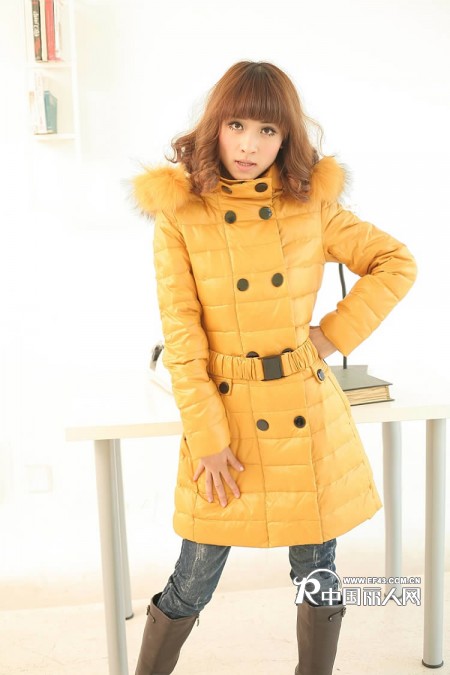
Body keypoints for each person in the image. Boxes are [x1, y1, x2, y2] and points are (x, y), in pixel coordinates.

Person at [132, 61, 417, 675]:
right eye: (237, 125)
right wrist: (207, 438)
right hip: (225, 422)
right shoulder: (182, 213)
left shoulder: (309, 205)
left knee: (317, 574)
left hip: (303, 416)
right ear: (215, 126)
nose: (249, 145)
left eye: (267, 130)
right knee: (192, 579)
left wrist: (331, 335)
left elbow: (395, 261)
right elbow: (182, 335)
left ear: (286, 138)